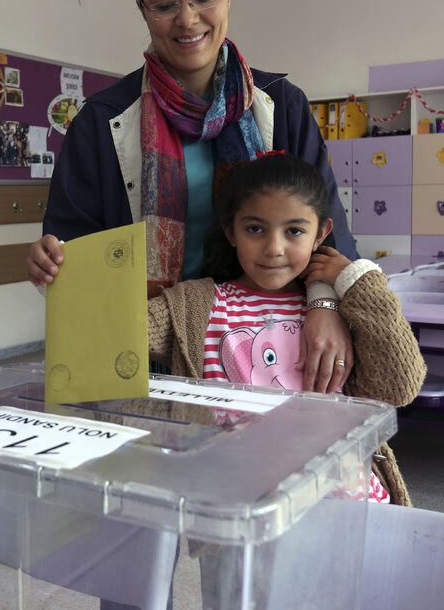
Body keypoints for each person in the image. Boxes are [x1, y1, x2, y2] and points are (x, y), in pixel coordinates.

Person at [27, 0, 357, 392]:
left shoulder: (283, 106)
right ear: (142, 10)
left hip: (271, 350)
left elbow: (326, 236)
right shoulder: (100, 122)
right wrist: (52, 262)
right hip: (150, 352)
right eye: (165, 5)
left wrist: (326, 308)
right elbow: (74, 251)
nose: (187, 19)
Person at [148, 152, 425, 504]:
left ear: (321, 234)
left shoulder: (345, 307)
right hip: (243, 508)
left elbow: (400, 387)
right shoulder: (195, 306)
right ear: (231, 231)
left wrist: (358, 279)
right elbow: (117, 333)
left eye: (294, 231)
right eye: (255, 229)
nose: (274, 249)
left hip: (346, 502)